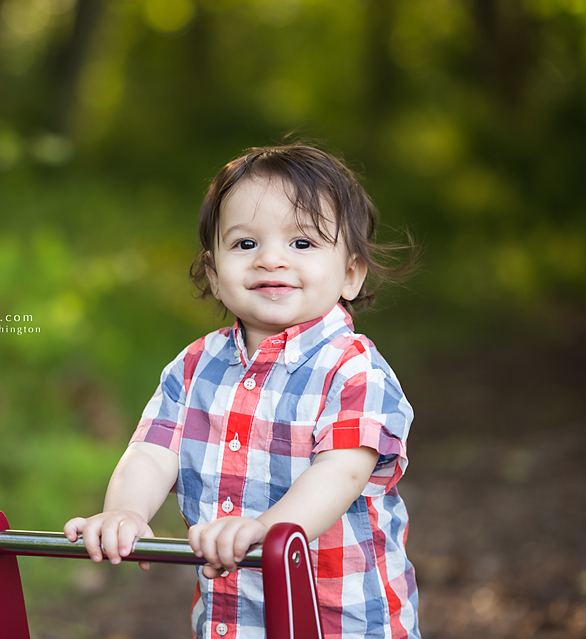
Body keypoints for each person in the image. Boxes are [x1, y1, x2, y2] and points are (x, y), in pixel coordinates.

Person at [64, 144, 420, 639]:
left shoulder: (355, 371)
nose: (271, 259)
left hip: (339, 621)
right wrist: (126, 510)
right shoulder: (195, 367)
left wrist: (265, 527)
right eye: (246, 244)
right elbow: (151, 450)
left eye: (302, 244)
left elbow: (341, 471)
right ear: (213, 272)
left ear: (351, 274)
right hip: (232, 618)